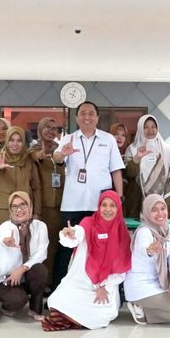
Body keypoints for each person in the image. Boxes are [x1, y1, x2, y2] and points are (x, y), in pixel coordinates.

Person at [51, 101, 125, 288]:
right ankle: (58, 289)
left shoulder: (108, 139)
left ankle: (98, 287)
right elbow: (57, 158)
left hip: (100, 206)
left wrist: (119, 198)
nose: (87, 117)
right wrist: (62, 154)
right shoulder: (69, 139)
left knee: (100, 246)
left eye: (91, 113)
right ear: (76, 118)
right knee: (67, 246)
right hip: (72, 204)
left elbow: (116, 170)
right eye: (83, 113)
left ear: (97, 118)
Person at [42, 191, 131, 331]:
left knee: (103, 314)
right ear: (99, 206)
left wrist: (104, 287)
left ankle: (67, 319)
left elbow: (121, 268)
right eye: (104, 205)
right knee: (56, 300)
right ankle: (72, 319)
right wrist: (70, 234)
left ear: (118, 208)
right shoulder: (88, 222)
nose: (107, 209)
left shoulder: (122, 233)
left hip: (105, 286)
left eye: (112, 205)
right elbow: (76, 235)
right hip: (81, 281)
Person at [125, 194, 170, 326]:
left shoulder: (166, 228)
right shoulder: (144, 231)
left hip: (159, 279)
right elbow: (143, 249)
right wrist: (150, 250)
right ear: (146, 212)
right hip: (142, 286)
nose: (160, 213)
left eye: (163, 208)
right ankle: (140, 308)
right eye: (154, 210)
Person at [0, 191, 49, 320]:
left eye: (23, 205)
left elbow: (41, 254)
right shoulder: (6, 226)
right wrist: (7, 241)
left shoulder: (40, 226)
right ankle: (7, 307)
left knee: (40, 270)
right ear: (10, 209)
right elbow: (3, 236)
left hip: (26, 275)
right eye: (14, 206)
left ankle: (35, 309)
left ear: (30, 205)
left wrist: (22, 269)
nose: (19, 210)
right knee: (16, 301)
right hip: (7, 277)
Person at [124, 114, 170, 218]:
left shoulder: (165, 150)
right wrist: (137, 158)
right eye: (146, 127)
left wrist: (169, 201)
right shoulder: (132, 149)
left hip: (161, 204)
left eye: (153, 127)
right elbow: (129, 174)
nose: (150, 130)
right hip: (137, 203)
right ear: (140, 129)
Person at [29, 116, 65, 276]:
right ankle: (42, 279)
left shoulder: (60, 149)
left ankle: (53, 278)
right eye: (47, 127)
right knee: (42, 245)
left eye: (54, 128)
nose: (51, 131)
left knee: (57, 244)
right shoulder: (33, 149)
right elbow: (33, 157)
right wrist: (39, 156)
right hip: (42, 205)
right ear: (40, 129)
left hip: (61, 204)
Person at [0, 126, 42, 226]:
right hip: (4, 208)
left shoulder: (28, 161)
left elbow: (36, 188)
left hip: (25, 209)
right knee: (6, 235)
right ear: (6, 141)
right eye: (11, 140)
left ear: (23, 142)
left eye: (19, 140)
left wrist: (37, 213)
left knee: (24, 236)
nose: (15, 144)